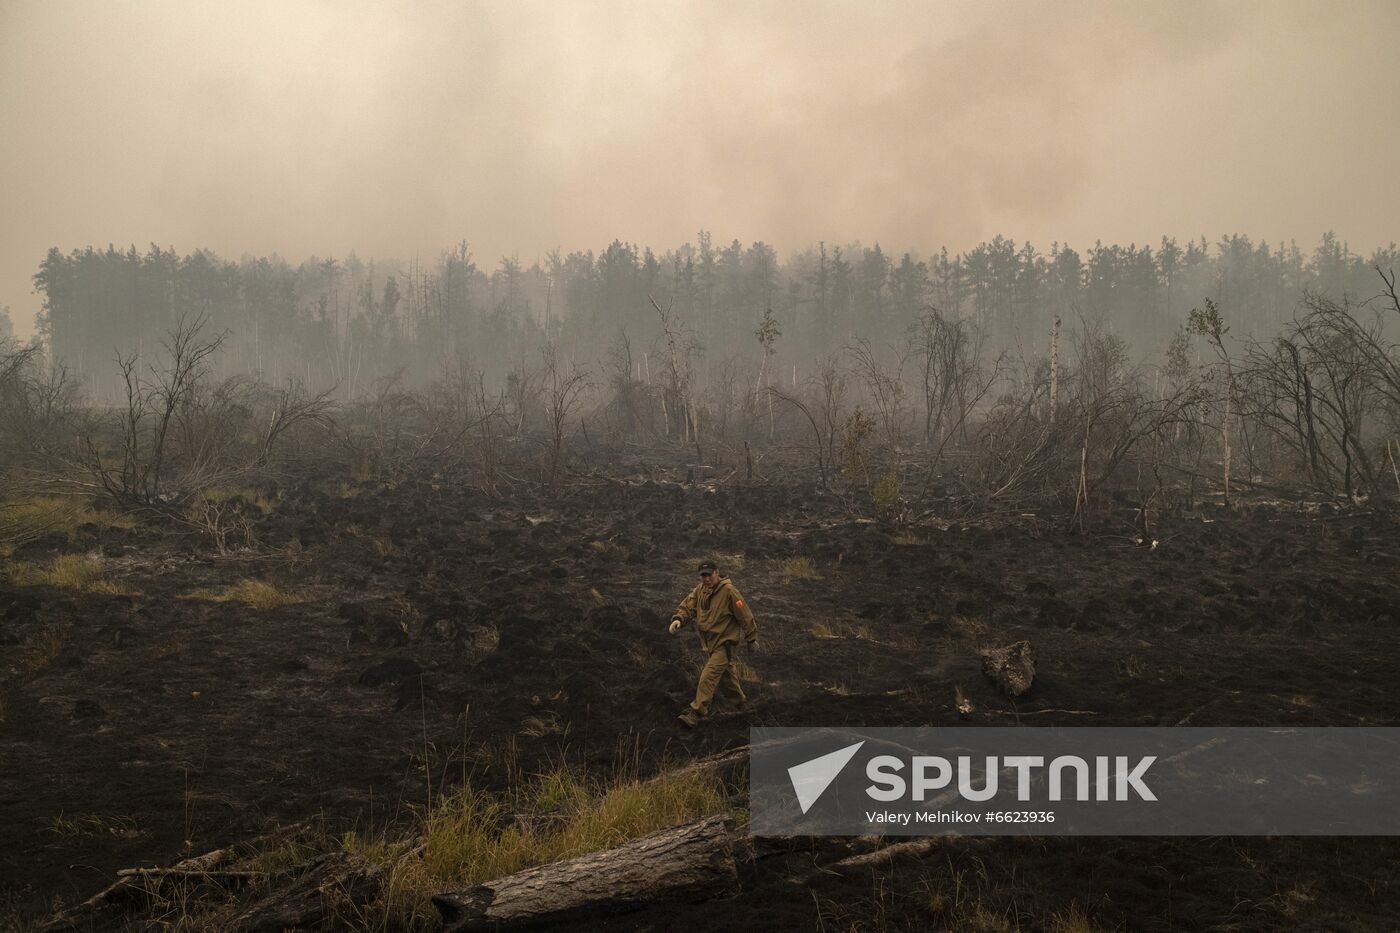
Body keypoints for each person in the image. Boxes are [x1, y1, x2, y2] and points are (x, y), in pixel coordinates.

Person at [668, 559, 759, 728]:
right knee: (726, 677)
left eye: (709, 575)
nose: (706, 579)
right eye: (703, 575)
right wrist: (679, 618)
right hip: (711, 643)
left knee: (708, 676)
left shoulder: (729, 592)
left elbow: (745, 615)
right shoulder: (700, 591)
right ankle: (741, 704)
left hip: (725, 644)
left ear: (717, 573)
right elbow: (688, 606)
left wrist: (751, 638)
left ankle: (696, 713)